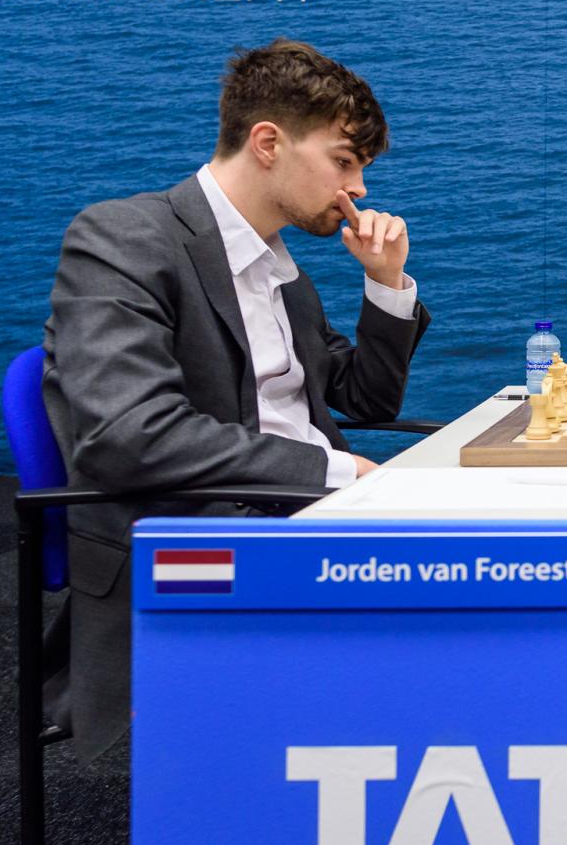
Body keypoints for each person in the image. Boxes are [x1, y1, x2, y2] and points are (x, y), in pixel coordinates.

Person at [42, 38, 430, 762]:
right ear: (268, 143)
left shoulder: (281, 269)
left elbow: (366, 400)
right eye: (345, 161)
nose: (358, 190)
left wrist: (386, 282)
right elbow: (130, 434)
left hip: (304, 513)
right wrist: (339, 473)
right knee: (454, 595)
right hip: (204, 537)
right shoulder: (123, 239)